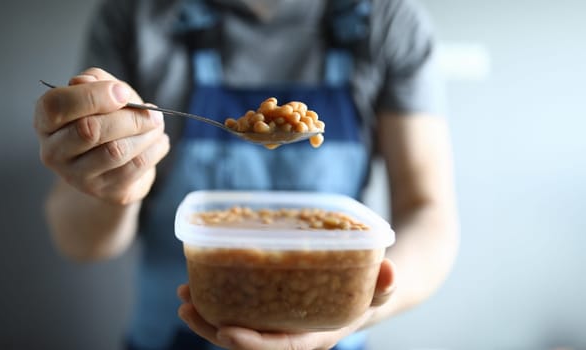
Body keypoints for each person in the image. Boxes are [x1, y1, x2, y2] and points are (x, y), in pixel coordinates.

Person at [33, 0, 459, 349]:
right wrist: (112, 178)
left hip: (331, 330)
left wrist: (364, 305)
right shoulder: (135, 16)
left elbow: (428, 212)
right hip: (169, 336)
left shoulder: (388, 20)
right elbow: (78, 241)